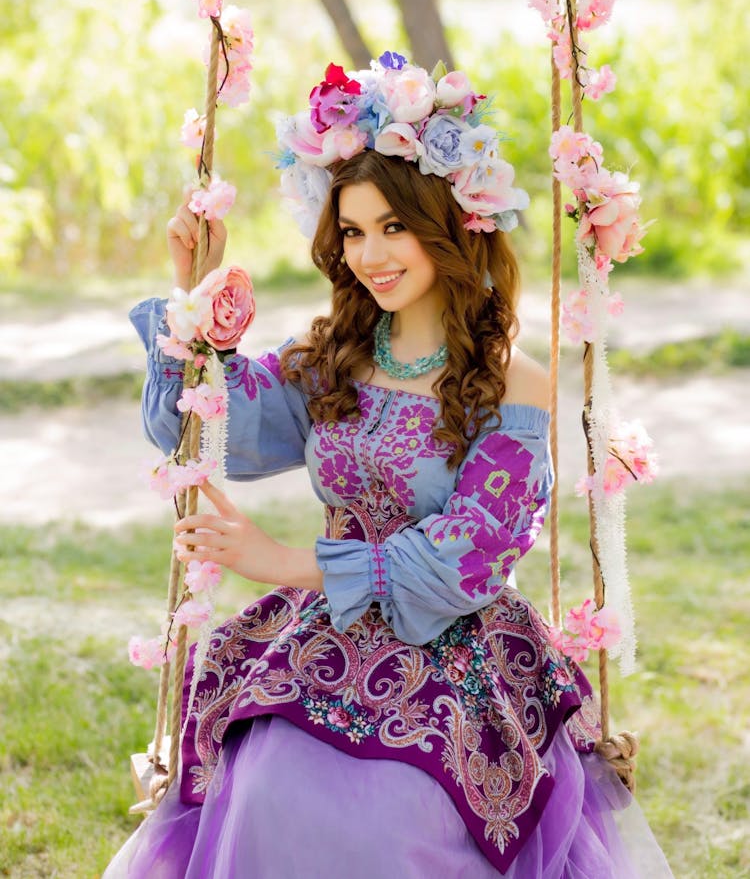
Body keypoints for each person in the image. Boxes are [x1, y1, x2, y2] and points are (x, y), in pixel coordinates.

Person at [105, 55, 674, 877]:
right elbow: (195, 424)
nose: (371, 253)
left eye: (393, 227)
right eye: (353, 231)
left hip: (455, 653)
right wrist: (193, 292)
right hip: (324, 642)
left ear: (446, 221)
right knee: (266, 789)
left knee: (393, 820)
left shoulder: (517, 387)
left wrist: (283, 561)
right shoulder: (332, 359)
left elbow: (468, 557)